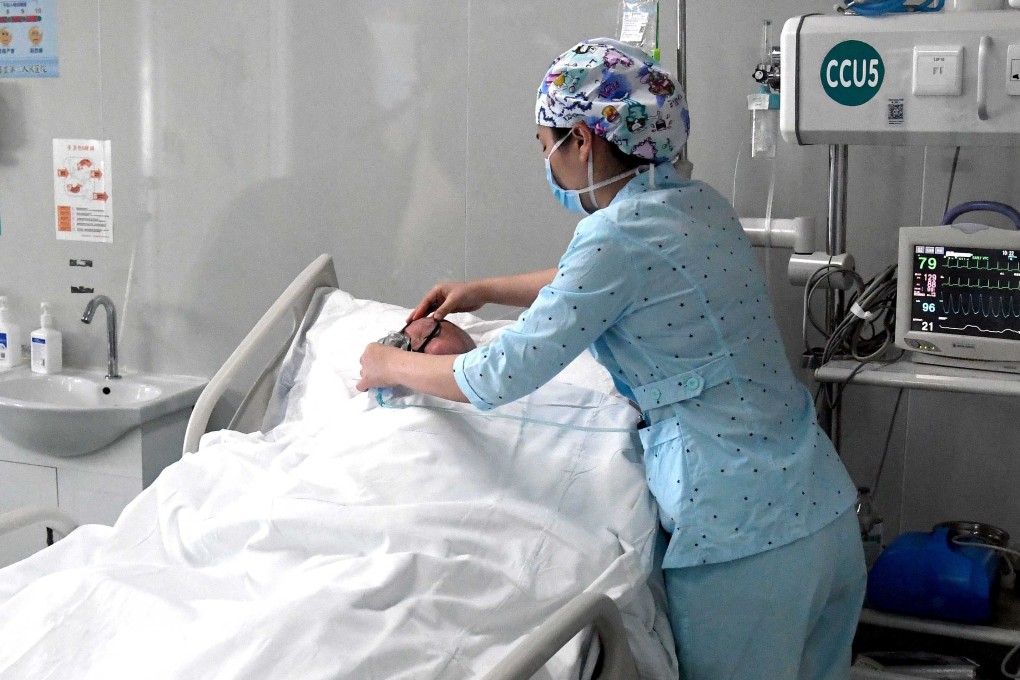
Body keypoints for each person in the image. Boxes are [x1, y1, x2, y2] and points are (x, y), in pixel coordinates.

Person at [358, 38, 866, 680]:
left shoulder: (613, 237)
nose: (546, 162)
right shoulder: (698, 204)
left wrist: (388, 363)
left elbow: (494, 375)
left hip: (742, 543)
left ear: (582, 141)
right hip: (820, 512)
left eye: (545, 145)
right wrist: (483, 290)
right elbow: (605, 276)